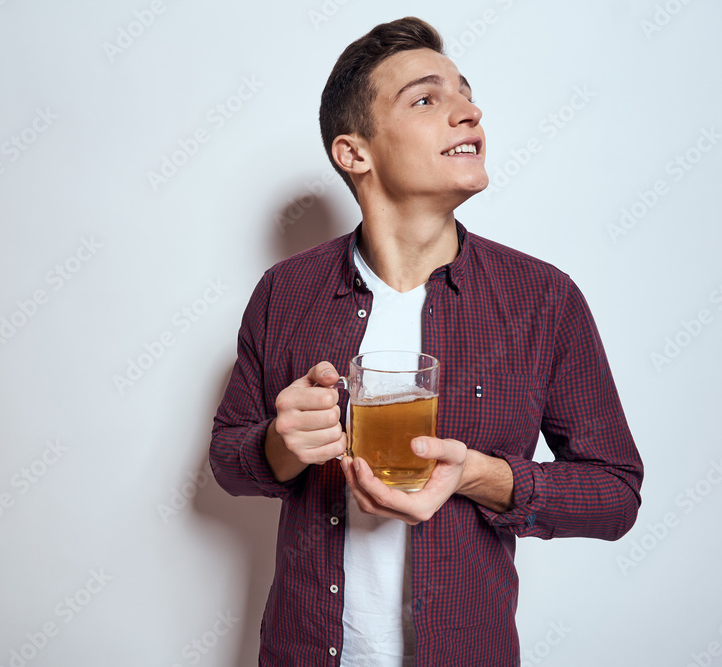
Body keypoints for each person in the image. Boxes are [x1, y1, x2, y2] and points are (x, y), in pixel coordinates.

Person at [210, 16, 643, 666]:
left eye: (466, 93)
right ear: (354, 153)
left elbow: (615, 494)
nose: (469, 112)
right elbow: (226, 459)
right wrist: (279, 443)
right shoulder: (285, 291)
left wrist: (481, 475)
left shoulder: (542, 299)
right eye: (425, 99)